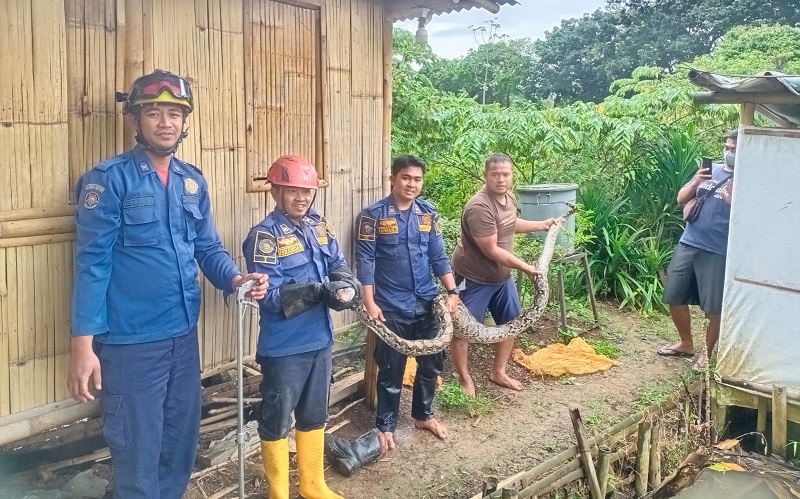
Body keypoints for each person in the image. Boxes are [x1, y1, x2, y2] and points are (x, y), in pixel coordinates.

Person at [68, 70, 268, 499]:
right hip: (130, 343)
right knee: (137, 455)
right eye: (154, 112)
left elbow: (207, 247)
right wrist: (82, 345)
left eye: (174, 113)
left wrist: (236, 278)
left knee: (179, 445)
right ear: (135, 120)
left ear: (184, 121)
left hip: (182, 337)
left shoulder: (192, 181)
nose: (165, 122)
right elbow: (92, 264)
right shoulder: (108, 180)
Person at [243, 155, 362, 499]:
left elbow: (337, 263)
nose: (301, 198)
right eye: (293, 190)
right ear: (276, 192)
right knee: (277, 419)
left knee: (314, 416)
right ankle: (279, 494)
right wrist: (318, 291)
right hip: (285, 348)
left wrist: (345, 283)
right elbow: (269, 297)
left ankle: (312, 486)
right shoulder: (263, 237)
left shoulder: (318, 225)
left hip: (320, 341)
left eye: (307, 191)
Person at [354, 155, 459, 450]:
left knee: (432, 364)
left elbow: (438, 256)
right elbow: (366, 261)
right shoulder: (372, 217)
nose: (412, 184)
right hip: (390, 306)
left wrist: (452, 292)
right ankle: (385, 426)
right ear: (393, 179)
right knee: (391, 370)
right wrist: (369, 302)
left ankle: (423, 416)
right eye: (406, 178)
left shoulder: (428, 214)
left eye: (417, 179)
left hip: (426, 302)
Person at [450, 153, 556, 397]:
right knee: (462, 329)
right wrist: (527, 268)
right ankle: (464, 378)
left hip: (501, 278)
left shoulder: (507, 197)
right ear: (485, 175)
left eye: (505, 174)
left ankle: (498, 371)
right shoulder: (479, 207)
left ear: (512, 176)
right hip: (474, 277)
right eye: (495, 174)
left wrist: (541, 224)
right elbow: (491, 249)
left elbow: (510, 223)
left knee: (512, 322)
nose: (501, 179)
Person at [658, 130, 737, 370]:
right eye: (727, 147)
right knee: (674, 294)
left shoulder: (751, 177)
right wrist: (696, 181)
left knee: (713, 306)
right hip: (689, 240)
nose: (728, 152)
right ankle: (686, 343)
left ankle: (707, 353)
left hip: (718, 249)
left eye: (734, 149)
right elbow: (681, 198)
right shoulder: (712, 171)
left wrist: (734, 200)